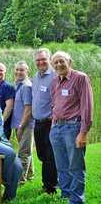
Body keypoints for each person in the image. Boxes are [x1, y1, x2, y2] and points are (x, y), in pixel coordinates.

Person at [49, 51, 93, 204]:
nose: (59, 65)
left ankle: (76, 200)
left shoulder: (80, 78)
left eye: (62, 61)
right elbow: (54, 103)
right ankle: (65, 194)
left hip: (73, 127)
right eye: (55, 63)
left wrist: (83, 132)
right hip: (56, 127)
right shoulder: (55, 81)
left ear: (69, 62)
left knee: (75, 165)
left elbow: (87, 106)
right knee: (61, 165)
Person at [32, 48, 58, 194]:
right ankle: (47, 182)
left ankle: (51, 186)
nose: (41, 62)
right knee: (41, 154)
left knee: (50, 155)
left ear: (49, 60)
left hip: (49, 122)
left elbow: (58, 100)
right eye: (38, 60)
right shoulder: (36, 76)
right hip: (38, 122)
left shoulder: (54, 76)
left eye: (43, 59)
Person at [11, 61, 34, 184]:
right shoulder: (18, 85)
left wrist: (21, 126)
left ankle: (20, 179)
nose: (19, 72)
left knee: (23, 152)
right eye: (17, 70)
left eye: (22, 70)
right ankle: (30, 174)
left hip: (25, 124)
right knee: (26, 149)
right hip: (18, 124)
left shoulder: (26, 86)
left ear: (27, 71)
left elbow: (28, 109)